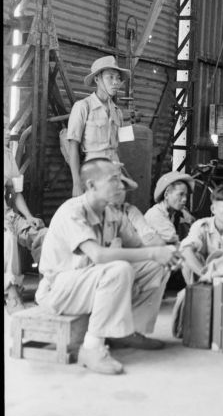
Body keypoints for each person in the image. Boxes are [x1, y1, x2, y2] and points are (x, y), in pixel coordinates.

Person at [35, 158, 180, 375]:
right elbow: (98, 255)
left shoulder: (113, 214)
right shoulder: (72, 211)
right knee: (119, 269)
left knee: (156, 266)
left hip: (90, 283)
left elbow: (140, 248)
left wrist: (168, 252)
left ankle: (128, 332)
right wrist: (152, 252)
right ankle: (91, 348)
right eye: (113, 180)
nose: (121, 186)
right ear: (91, 185)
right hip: (58, 290)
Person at [66, 56, 130, 197]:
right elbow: (72, 147)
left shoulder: (118, 112)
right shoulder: (83, 107)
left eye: (118, 78)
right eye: (110, 77)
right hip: (93, 174)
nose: (115, 82)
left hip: (114, 172)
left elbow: (121, 147)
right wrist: (76, 183)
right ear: (97, 79)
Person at [4, 112, 47, 313]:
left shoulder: (7, 155)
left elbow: (15, 193)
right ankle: (11, 293)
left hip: (9, 216)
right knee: (9, 239)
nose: (6, 133)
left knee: (43, 236)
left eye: (6, 127)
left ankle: (48, 289)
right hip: (6, 222)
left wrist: (29, 217)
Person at [113, 174, 165, 247]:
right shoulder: (95, 214)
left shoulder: (129, 211)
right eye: (113, 185)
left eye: (123, 187)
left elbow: (155, 241)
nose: (119, 190)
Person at [144, 171, 196, 245]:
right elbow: (174, 244)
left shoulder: (175, 213)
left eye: (186, 195)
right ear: (166, 194)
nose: (185, 199)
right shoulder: (156, 215)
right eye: (181, 194)